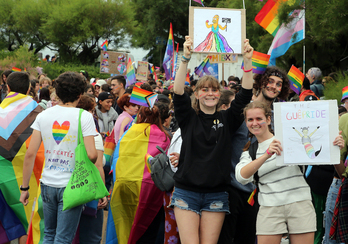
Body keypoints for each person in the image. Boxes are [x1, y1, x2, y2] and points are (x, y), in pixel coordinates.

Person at [169, 36, 253, 244]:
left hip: (217, 195)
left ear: (219, 94)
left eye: (214, 89)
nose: (210, 93)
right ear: (196, 94)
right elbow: (178, 91)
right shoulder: (188, 118)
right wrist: (185, 59)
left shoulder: (228, 119)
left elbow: (246, 94)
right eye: (204, 89)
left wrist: (248, 60)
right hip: (186, 193)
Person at [235, 101, 344, 244]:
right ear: (246, 122)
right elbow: (241, 177)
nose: (255, 123)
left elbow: (341, 172)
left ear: (268, 120)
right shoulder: (250, 151)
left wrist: (333, 147)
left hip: (299, 203)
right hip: (269, 207)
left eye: (259, 118)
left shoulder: (288, 139)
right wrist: (267, 154)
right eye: (250, 120)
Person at [19, 71, 98, 243]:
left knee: (49, 234)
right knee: (63, 238)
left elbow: (30, 153)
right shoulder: (84, 116)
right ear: (79, 95)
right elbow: (92, 154)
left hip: (47, 184)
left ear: (57, 92)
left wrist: (24, 188)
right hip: (72, 185)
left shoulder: (43, 115)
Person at [107, 106, 171, 244]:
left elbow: (116, 159)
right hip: (151, 192)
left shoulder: (127, 134)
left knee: (124, 224)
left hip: (123, 187)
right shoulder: (164, 136)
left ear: (139, 117)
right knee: (147, 231)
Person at [0, 72, 44, 244]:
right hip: (28, 178)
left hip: (3, 177)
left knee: (10, 222)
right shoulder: (39, 113)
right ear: (28, 90)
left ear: (8, 88)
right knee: (28, 221)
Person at [75, 95, 108, 243]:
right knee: (91, 235)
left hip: (70, 188)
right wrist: (102, 193)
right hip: (90, 192)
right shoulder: (93, 134)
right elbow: (98, 166)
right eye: (91, 110)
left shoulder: (71, 129)